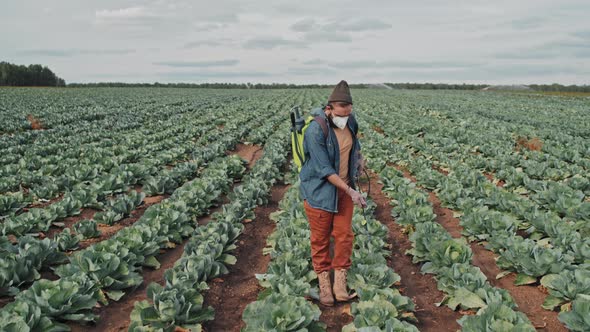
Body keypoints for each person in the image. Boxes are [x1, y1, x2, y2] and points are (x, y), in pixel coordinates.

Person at [299, 80, 367, 306]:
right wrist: (351, 191)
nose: (345, 118)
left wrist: (359, 160)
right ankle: (324, 284)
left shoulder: (350, 122)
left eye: (348, 114)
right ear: (329, 109)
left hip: (345, 190)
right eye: (341, 114)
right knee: (320, 240)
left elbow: (354, 145)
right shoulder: (315, 130)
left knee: (344, 236)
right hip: (320, 193)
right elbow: (324, 169)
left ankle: (340, 282)